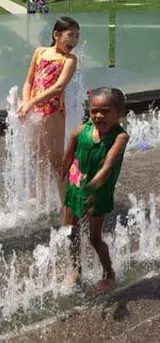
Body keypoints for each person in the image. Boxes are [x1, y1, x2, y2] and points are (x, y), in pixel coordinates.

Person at [62, 87, 129, 291]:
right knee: (70, 233)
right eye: (94, 111)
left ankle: (109, 272)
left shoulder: (120, 138)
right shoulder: (80, 131)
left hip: (97, 193)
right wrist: (63, 184)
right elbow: (66, 159)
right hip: (75, 190)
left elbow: (108, 166)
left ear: (119, 113)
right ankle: (76, 269)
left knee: (94, 237)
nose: (98, 115)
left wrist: (91, 188)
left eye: (105, 111)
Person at [17, 16, 80, 203]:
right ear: (56, 34)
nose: (74, 41)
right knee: (38, 157)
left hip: (53, 113)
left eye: (77, 36)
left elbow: (58, 88)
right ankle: (42, 197)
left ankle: (66, 202)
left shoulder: (69, 60)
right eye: (71, 35)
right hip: (35, 111)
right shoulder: (40, 52)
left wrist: (31, 102)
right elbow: (29, 81)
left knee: (56, 160)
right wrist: (26, 102)